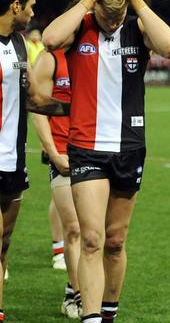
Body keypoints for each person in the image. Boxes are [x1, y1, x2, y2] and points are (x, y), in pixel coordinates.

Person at [41, 0, 170, 323]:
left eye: (118, 16)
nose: (113, 21)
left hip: (129, 148)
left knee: (115, 241)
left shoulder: (136, 27)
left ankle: (107, 314)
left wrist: (136, 0)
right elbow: (50, 38)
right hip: (86, 148)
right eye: (107, 15)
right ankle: (89, 317)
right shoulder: (82, 26)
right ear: (96, 7)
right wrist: (88, 0)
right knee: (91, 239)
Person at [31, 48, 82, 319]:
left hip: (94, 151)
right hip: (62, 152)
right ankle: (75, 293)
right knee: (73, 227)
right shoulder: (51, 58)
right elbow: (37, 107)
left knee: (96, 233)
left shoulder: (93, 52)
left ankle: (89, 293)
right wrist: (51, 151)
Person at [0, 0, 35, 322]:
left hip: (13, 157)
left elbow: (33, 96)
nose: (33, 11)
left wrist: (76, 108)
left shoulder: (22, 45)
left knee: (4, 240)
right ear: (15, 5)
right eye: (31, 5)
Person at [26, 27, 67, 272]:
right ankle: (59, 246)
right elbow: (39, 100)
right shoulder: (45, 55)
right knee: (58, 194)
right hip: (56, 135)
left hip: (80, 139)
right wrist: (46, 142)